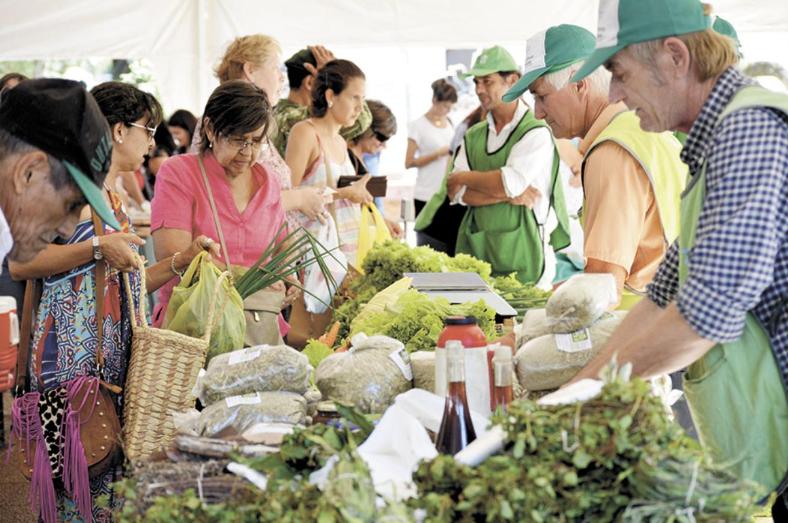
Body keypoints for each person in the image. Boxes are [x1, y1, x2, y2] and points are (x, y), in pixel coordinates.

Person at [567, 0, 788, 516]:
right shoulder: (708, 144)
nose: (616, 95)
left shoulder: (748, 132)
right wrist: (581, 384)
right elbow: (664, 292)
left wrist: (592, 391)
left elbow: (704, 317)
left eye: (619, 74)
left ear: (674, 57)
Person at [9, 81, 214, 521]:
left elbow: (129, 283)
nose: (152, 141)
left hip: (111, 363)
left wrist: (182, 260)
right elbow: (23, 264)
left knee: (109, 480)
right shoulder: (67, 190)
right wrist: (98, 248)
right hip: (67, 365)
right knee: (76, 480)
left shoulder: (113, 202)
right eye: (148, 128)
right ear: (117, 131)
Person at [503, 24, 687, 307]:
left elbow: (602, 287)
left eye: (542, 96)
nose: (538, 113)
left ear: (580, 83)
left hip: (632, 328)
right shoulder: (642, 130)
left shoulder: (612, 151)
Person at [152, 81, 298, 343]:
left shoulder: (269, 181)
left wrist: (289, 278)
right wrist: (244, 276)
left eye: (256, 142)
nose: (247, 152)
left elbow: (282, 249)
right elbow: (173, 257)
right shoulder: (179, 173)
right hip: (196, 329)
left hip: (258, 328)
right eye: (238, 140)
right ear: (209, 129)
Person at [419, 46, 571, 287]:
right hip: (478, 250)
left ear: (513, 80)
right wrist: (505, 195)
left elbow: (507, 183)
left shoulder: (535, 132)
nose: (479, 90)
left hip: (525, 253)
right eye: (477, 82)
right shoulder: (474, 135)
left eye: (487, 82)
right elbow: (454, 191)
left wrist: (466, 177)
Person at [198, 34, 327, 231]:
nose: (282, 77)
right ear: (250, 70)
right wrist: (299, 197)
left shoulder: (256, 121)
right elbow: (228, 199)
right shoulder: (223, 120)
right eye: (276, 68)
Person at [286, 58, 373, 267]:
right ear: (330, 96)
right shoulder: (305, 133)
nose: (360, 107)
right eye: (354, 98)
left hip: (347, 257)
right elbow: (287, 196)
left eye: (363, 99)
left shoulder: (341, 142)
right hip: (314, 258)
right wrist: (345, 193)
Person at [273, 46, 372, 159]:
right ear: (310, 82)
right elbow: (363, 119)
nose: (359, 106)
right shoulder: (290, 118)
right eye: (330, 78)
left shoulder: (276, 110)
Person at [347, 99, 403, 238]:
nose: (384, 146)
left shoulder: (361, 160)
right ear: (366, 129)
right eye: (382, 138)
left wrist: (382, 221)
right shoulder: (346, 159)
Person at [406, 79, 457, 229]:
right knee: (427, 242)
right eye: (445, 106)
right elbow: (408, 162)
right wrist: (437, 154)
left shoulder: (450, 124)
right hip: (425, 194)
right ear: (434, 100)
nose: (447, 111)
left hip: (446, 194)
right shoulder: (418, 126)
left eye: (450, 108)